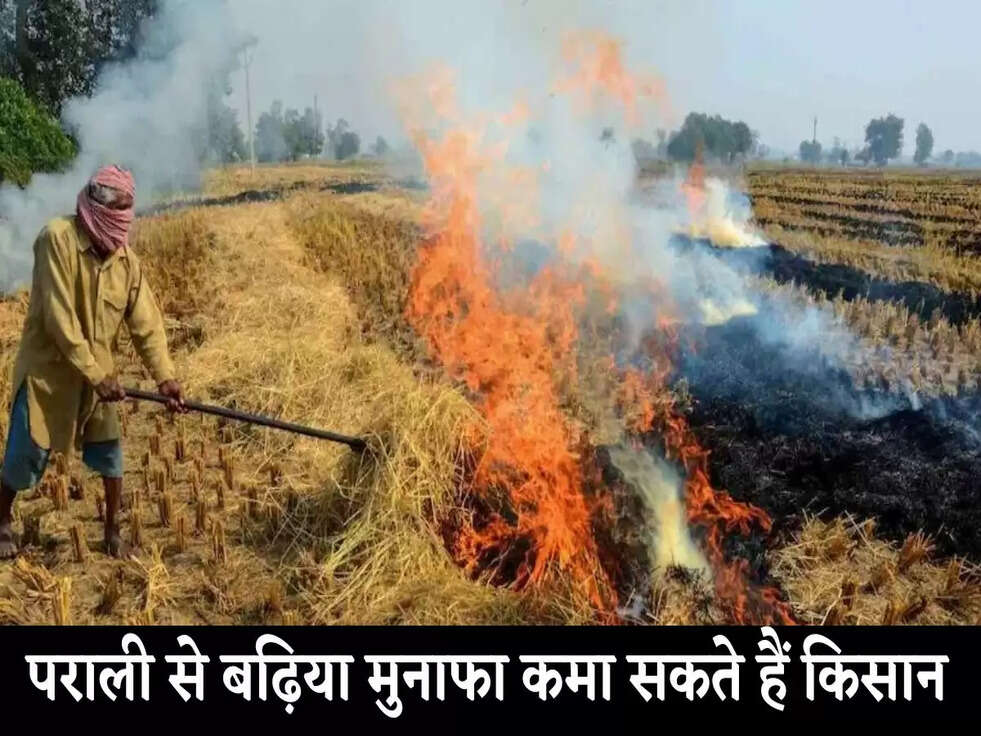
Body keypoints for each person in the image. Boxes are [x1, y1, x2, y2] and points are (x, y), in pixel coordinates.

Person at [0, 165, 186, 559]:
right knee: (24, 456)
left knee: (111, 457)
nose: (117, 237)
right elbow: (58, 318)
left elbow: (147, 324)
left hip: (98, 377)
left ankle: (113, 533)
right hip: (48, 375)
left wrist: (165, 378)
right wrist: (96, 373)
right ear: (95, 211)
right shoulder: (57, 240)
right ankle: (1, 521)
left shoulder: (126, 262)